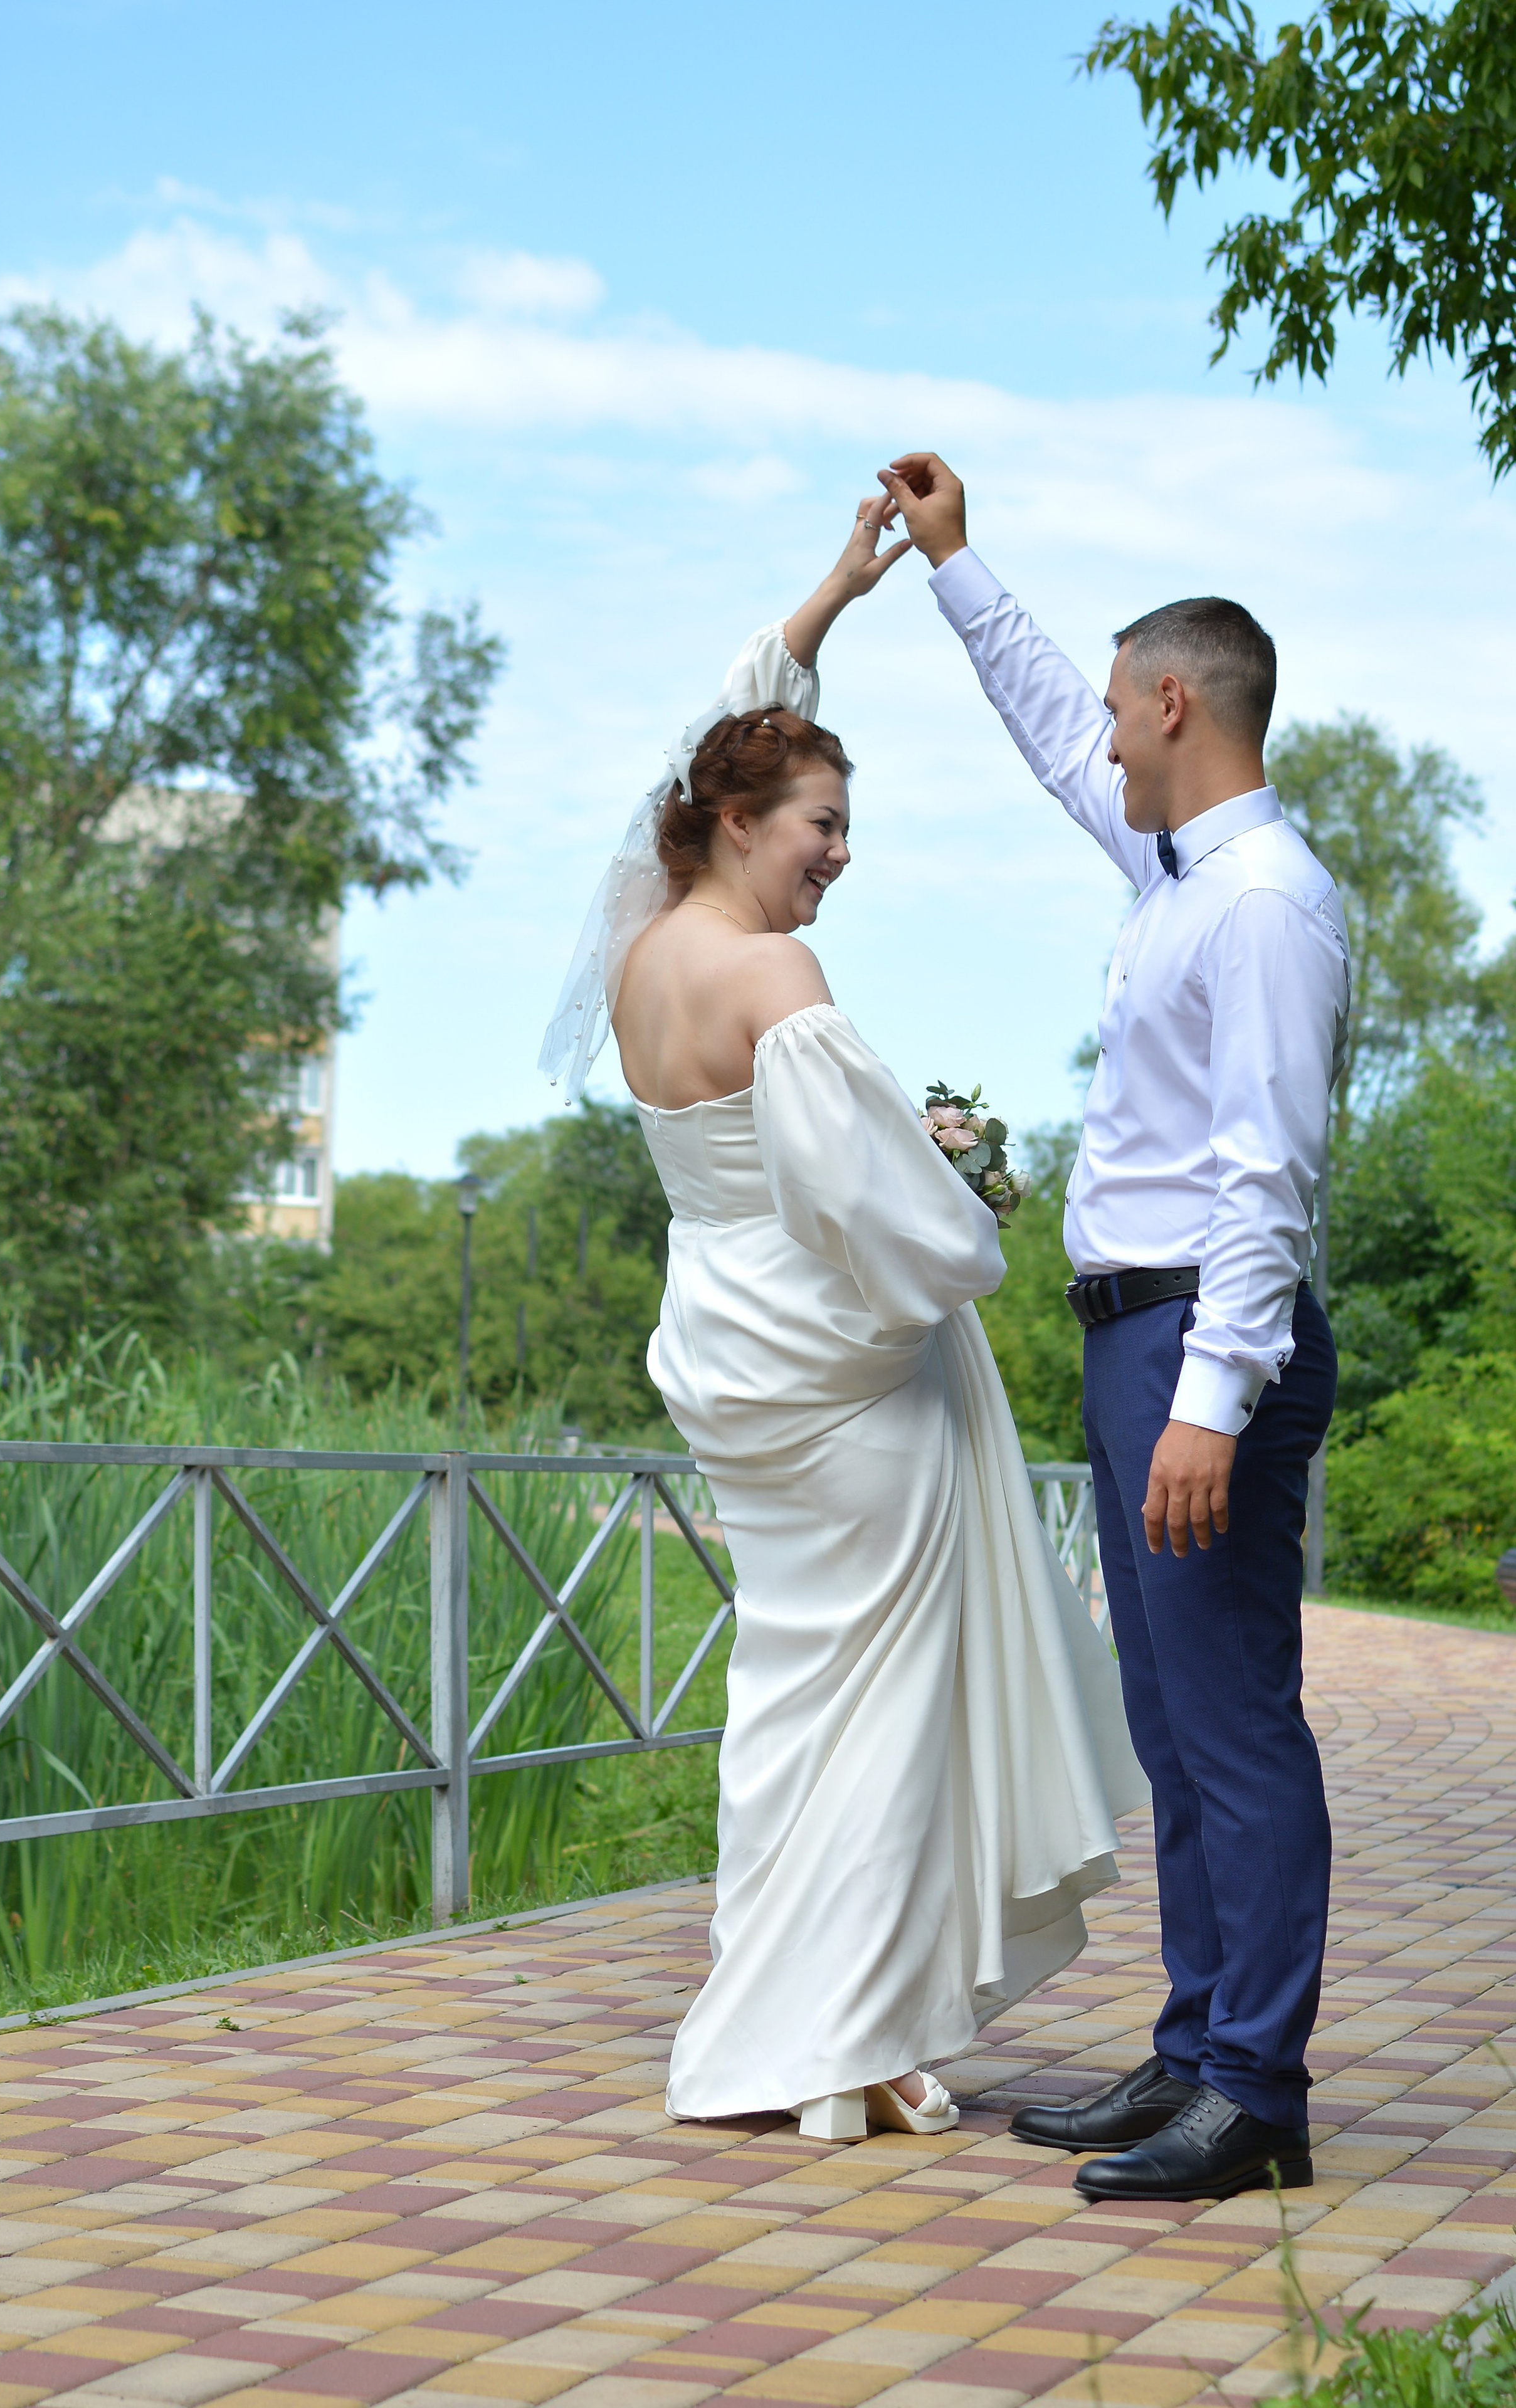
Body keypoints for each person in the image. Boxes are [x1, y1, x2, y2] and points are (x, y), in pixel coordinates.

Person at [540, 498, 1145, 2143]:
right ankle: (831, 2034)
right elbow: (884, 1220)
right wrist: (973, 1211)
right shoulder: (780, 991)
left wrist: (821, 606)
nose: (842, 850)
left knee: (794, 1693)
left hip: (731, 1359)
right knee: (879, 1705)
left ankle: (792, 2018)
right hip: (848, 1380)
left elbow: (712, 730)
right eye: (821, 819)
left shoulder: (639, 954)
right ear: (739, 819)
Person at [878, 451, 1350, 2201]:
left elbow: (1268, 1180)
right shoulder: (1174, 873)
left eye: (1115, 703)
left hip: (1200, 1349)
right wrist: (956, 568)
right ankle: (1189, 2053)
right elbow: (1042, 735)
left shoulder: (1263, 904)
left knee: (1236, 1724)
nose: (1100, 732)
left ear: (1174, 700)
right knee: (1174, 1728)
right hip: (1134, 1343)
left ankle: (1256, 2091)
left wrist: (1213, 1399)